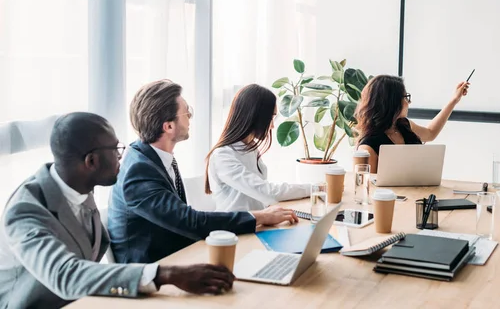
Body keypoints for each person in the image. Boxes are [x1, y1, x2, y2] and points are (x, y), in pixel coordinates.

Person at [0, 112, 237, 309]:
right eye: (115, 150)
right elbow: (65, 275)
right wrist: (166, 274)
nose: (121, 157)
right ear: (91, 161)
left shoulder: (78, 186)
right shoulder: (25, 210)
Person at [108, 80, 298, 264]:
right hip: (153, 270)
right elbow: (190, 222)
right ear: (169, 126)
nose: (190, 116)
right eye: (186, 112)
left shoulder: (154, 157)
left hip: (178, 255)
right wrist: (261, 216)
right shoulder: (138, 171)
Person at [205, 84, 311, 211]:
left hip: (259, 223)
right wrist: (314, 189)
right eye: (270, 118)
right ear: (254, 117)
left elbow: (261, 197)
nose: (272, 126)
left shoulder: (251, 148)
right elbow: (267, 192)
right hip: (236, 229)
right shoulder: (222, 156)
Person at [355, 75, 469, 173]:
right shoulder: (367, 148)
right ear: (392, 102)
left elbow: (431, 133)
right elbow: (366, 188)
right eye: (406, 97)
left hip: (418, 194)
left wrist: (454, 100)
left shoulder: (403, 125)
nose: (409, 102)